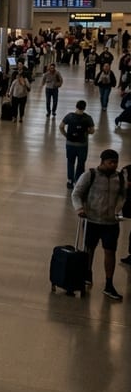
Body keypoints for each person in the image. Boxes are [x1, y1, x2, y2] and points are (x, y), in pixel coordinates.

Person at [71, 149, 125, 301]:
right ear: (102, 162)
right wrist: (79, 208)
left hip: (111, 223)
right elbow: (76, 193)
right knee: (89, 249)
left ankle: (109, 284)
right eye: (110, 162)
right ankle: (87, 274)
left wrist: (118, 209)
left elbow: (122, 195)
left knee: (110, 252)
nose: (114, 165)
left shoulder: (120, 177)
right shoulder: (90, 175)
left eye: (116, 162)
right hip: (92, 221)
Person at [60, 99, 95, 189]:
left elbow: (61, 126)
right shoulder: (88, 118)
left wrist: (66, 135)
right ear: (84, 108)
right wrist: (86, 131)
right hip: (82, 145)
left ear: (76, 106)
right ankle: (78, 181)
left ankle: (70, 181)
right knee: (81, 163)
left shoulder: (69, 116)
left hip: (70, 144)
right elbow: (92, 131)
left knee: (70, 162)